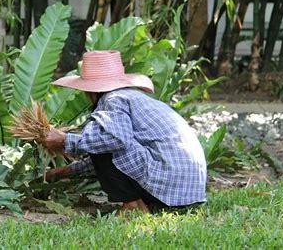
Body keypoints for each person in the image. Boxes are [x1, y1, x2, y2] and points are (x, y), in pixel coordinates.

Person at [42, 50, 207, 213]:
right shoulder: (131, 97)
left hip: (169, 181)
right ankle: (145, 203)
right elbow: (113, 151)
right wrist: (67, 171)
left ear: (90, 90)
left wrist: (64, 140)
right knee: (100, 140)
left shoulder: (113, 99)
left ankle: (133, 206)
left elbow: (114, 142)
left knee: (103, 139)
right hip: (186, 191)